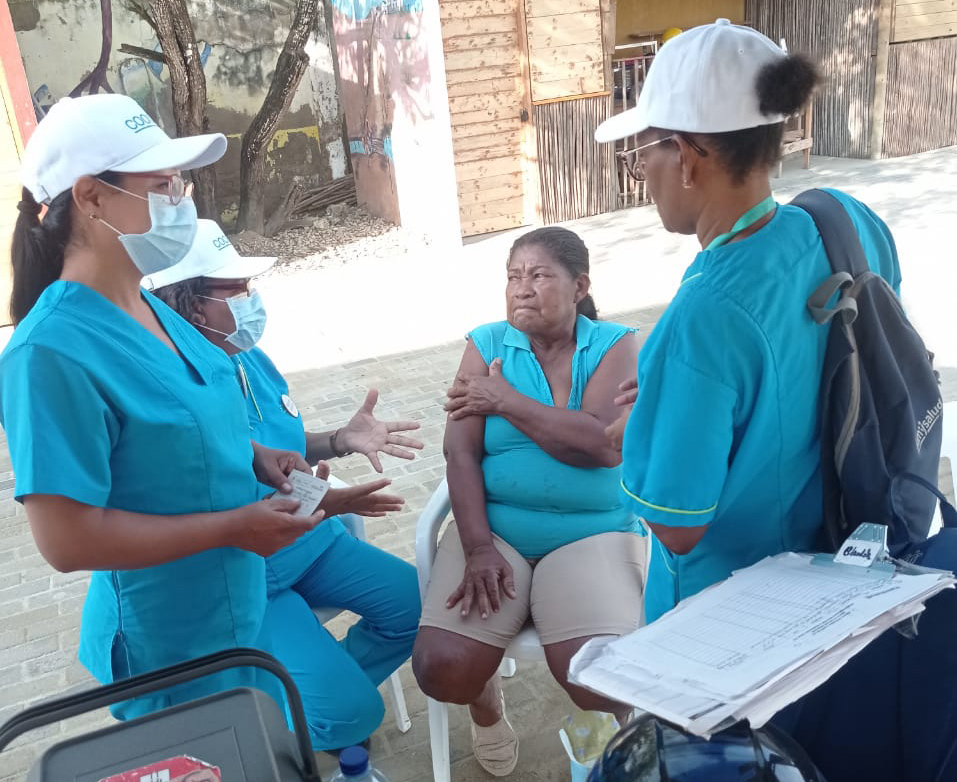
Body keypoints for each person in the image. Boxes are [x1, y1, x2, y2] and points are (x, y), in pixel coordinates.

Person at [595, 19, 955, 782]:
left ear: (688, 156)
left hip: (733, 637)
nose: (642, 172)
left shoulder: (701, 316)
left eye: (644, 151)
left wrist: (642, 422)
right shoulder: (845, 219)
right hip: (846, 582)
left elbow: (676, 527)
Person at [0, 94, 323, 719]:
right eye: (163, 185)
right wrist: (233, 527)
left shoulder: (149, 305)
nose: (183, 201)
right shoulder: (49, 353)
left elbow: (174, 421)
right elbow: (66, 541)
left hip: (234, 612)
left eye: (180, 183)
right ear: (91, 197)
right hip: (169, 646)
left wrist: (254, 455)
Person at [148, 219, 423, 751]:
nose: (251, 300)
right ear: (188, 304)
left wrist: (339, 440)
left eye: (249, 286)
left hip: (312, 543)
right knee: (353, 717)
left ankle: (308, 697)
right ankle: (304, 714)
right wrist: (328, 501)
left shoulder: (249, 358)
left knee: (420, 607)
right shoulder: (168, 390)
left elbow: (283, 450)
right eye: (235, 289)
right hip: (243, 574)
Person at [412, 226, 645, 776]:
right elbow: (460, 453)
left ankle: (613, 738)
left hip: (592, 531)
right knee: (444, 666)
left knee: (600, 676)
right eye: (514, 276)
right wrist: (477, 547)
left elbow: (601, 447)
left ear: (579, 286)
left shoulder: (615, 345)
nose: (522, 288)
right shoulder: (486, 345)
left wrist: (505, 401)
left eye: (539, 275)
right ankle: (487, 709)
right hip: (496, 532)